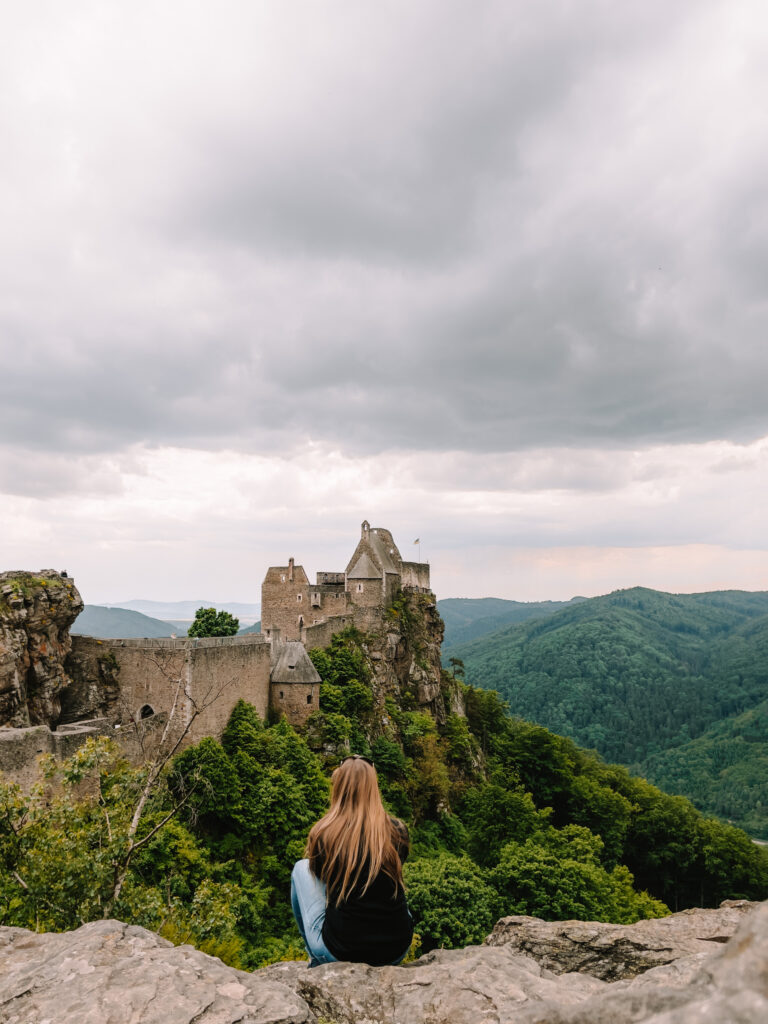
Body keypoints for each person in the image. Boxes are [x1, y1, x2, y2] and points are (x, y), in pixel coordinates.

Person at [290, 754, 413, 967]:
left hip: (342, 950)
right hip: (395, 949)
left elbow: (321, 879)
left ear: (338, 787)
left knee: (301, 868)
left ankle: (316, 960)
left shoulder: (324, 834)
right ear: (373, 788)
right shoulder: (397, 831)